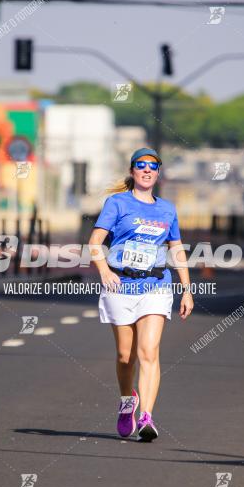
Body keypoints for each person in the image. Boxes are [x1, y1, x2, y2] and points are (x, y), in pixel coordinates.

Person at [87, 148, 194, 442]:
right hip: (120, 285)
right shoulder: (117, 203)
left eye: (152, 166)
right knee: (125, 356)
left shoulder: (167, 209)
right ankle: (127, 401)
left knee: (149, 352)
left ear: (158, 174)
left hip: (156, 285)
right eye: (141, 165)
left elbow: (176, 249)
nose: (147, 170)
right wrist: (105, 270)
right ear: (133, 171)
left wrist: (186, 289)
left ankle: (147, 416)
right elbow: (95, 241)